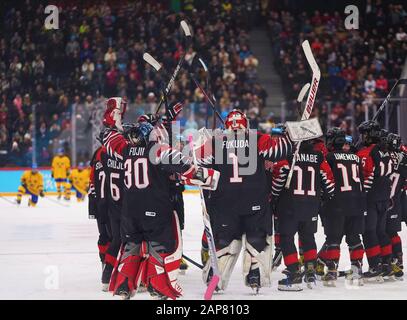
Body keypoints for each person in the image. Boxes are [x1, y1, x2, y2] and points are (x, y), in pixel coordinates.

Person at [101, 97, 218, 300]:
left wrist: (114, 117)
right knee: (160, 246)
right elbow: (184, 166)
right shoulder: (158, 150)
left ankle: (124, 285)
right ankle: (157, 286)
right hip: (154, 210)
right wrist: (209, 177)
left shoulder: (126, 150)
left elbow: (108, 137)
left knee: (131, 248)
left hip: (129, 213)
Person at [197, 109, 293, 294]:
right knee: (256, 238)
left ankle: (214, 277)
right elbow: (282, 151)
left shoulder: (216, 142)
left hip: (224, 203)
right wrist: (290, 137)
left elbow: (195, 162)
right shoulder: (257, 138)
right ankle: (254, 275)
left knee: (225, 241)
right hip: (254, 201)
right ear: (245, 124)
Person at [272, 139, 335, 291]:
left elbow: (278, 179)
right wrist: (324, 196)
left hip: (290, 205)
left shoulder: (289, 156)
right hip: (311, 206)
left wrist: (274, 196)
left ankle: (294, 272)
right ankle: (311, 270)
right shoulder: (319, 157)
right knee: (308, 237)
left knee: (286, 238)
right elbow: (329, 182)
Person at [318, 128, 366, 286]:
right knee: (354, 238)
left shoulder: (329, 157)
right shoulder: (356, 157)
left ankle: (332, 271)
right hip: (357, 202)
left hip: (337, 203)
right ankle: (357, 270)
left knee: (333, 239)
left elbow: (324, 178)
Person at [357, 121, 393, 281]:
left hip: (371, 198)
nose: (362, 137)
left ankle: (375, 266)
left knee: (369, 231)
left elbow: (368, 176)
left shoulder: (366, 153)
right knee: (381, 231)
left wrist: (363, 195)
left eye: (364, 134)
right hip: (385, 196)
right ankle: (387, 264)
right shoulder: (386, 150)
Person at [88, 143, 112, 290]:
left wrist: (92, 204)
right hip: (112, 203)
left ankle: (105, 267)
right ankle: (110, 270)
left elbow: (92, 180)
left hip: (98, 202)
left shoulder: (97, 154)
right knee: (115, 238)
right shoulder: (112, 153)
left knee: (104, 236)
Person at [386, 133, 406, 280]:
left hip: (385, 199)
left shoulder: (384, 155)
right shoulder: (403, 155)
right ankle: (397, 262)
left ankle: (388, 262)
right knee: (392, 232)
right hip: (397, 199)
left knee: (383, 231)